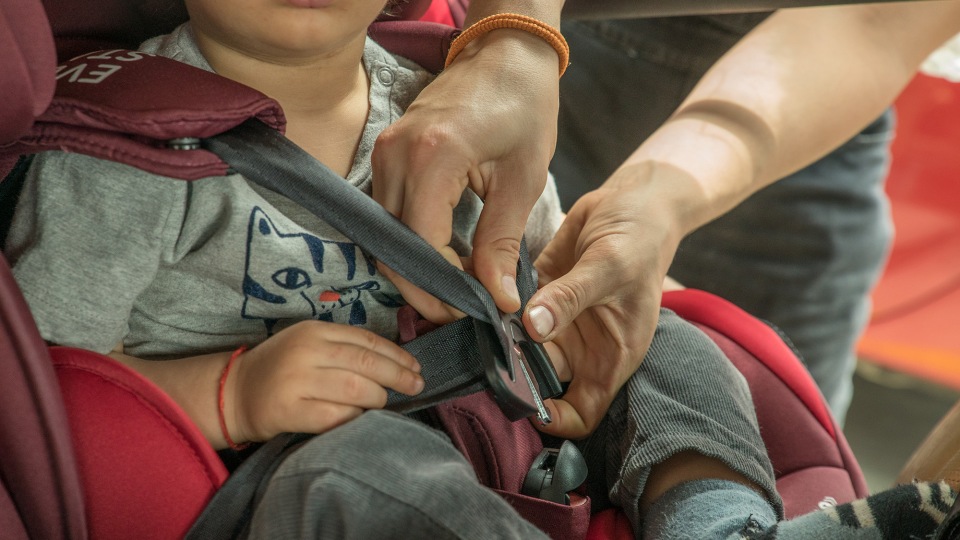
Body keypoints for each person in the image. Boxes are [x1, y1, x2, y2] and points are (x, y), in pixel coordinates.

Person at [373, 0, 960, 438]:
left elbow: (869, 23)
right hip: (533, 85)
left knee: (765, 461)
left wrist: (658, 198)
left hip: (792, 162)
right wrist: (513, 40)